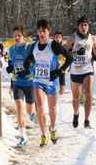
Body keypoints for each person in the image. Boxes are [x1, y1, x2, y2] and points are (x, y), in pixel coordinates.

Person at [23, 19, 73, 147]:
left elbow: (70, 58)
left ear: (49, 31)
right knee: (39, 107)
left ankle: (53, 128)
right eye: (39, 31)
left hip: (52, 81)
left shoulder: (54, 45)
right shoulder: (34, 46)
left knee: (53, 108)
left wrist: (59, 71)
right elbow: (28, 59)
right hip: (38, 80)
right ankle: (44, 133)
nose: (41, 34)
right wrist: (27, 64)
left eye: (44, 31)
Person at [65, 15, 96, 129]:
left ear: (88, 26)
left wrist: (95, 54)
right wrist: (74, 53)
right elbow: (65, 51)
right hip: (76, 70)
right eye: (81, 25)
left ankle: (87, 120)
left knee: (89, 93)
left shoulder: (92, 38)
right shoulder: (72, 38)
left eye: (85, 25)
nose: (83, 27)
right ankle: (76, 114)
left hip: (88, 69)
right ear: (78, 27)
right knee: (76, 97)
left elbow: (95, 47)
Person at [6, 25, 37, 147]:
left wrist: (28, 71)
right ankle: (23, 137)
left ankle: (34, 115)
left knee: (30, 112)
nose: (17, 37)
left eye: (19, 35)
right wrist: (10, 69)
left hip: (29, 83)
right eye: (15, 36)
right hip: (17, 82)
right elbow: (12, 65)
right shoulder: (11, 50)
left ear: (23, 36)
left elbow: (35, 64)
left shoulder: (29, 48)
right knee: (19, 109)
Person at [53, 31, 67, 95]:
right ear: (54, 38)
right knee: (54, 89)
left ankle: (57, 97)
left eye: (59, 37)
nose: (58, 39)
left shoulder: (64, 47)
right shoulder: (51, 47)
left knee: (62, 91)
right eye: (56, 37)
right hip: (54, 70)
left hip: (62, 70)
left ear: (61, 38)